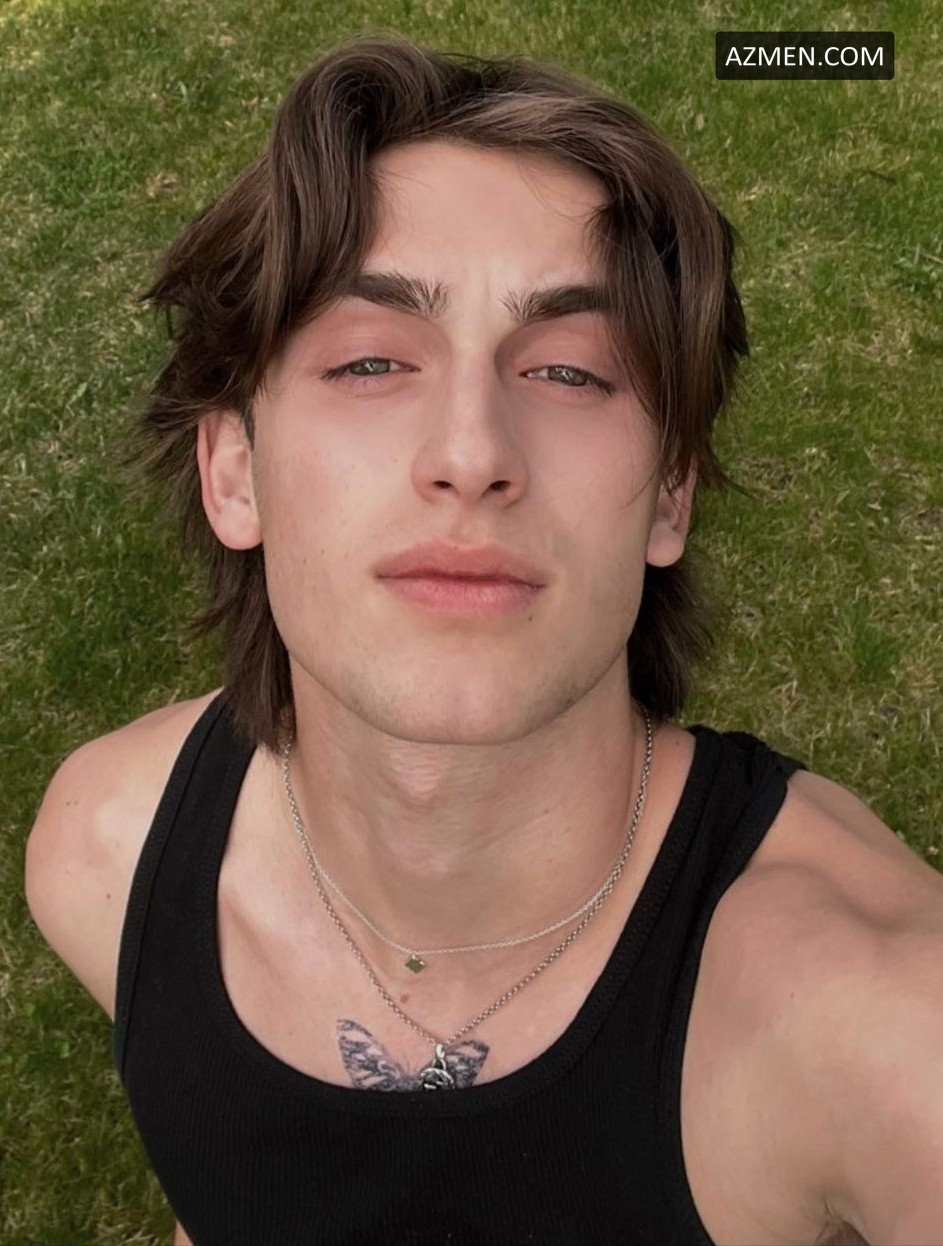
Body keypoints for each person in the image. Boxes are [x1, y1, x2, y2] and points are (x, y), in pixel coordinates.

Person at [24, 30, 943, 1246]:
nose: (470, 453)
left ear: (668, 494)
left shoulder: (880, 1020)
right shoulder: (106, 857)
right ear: (234, 471)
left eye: (568, 372)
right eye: (369, 360)